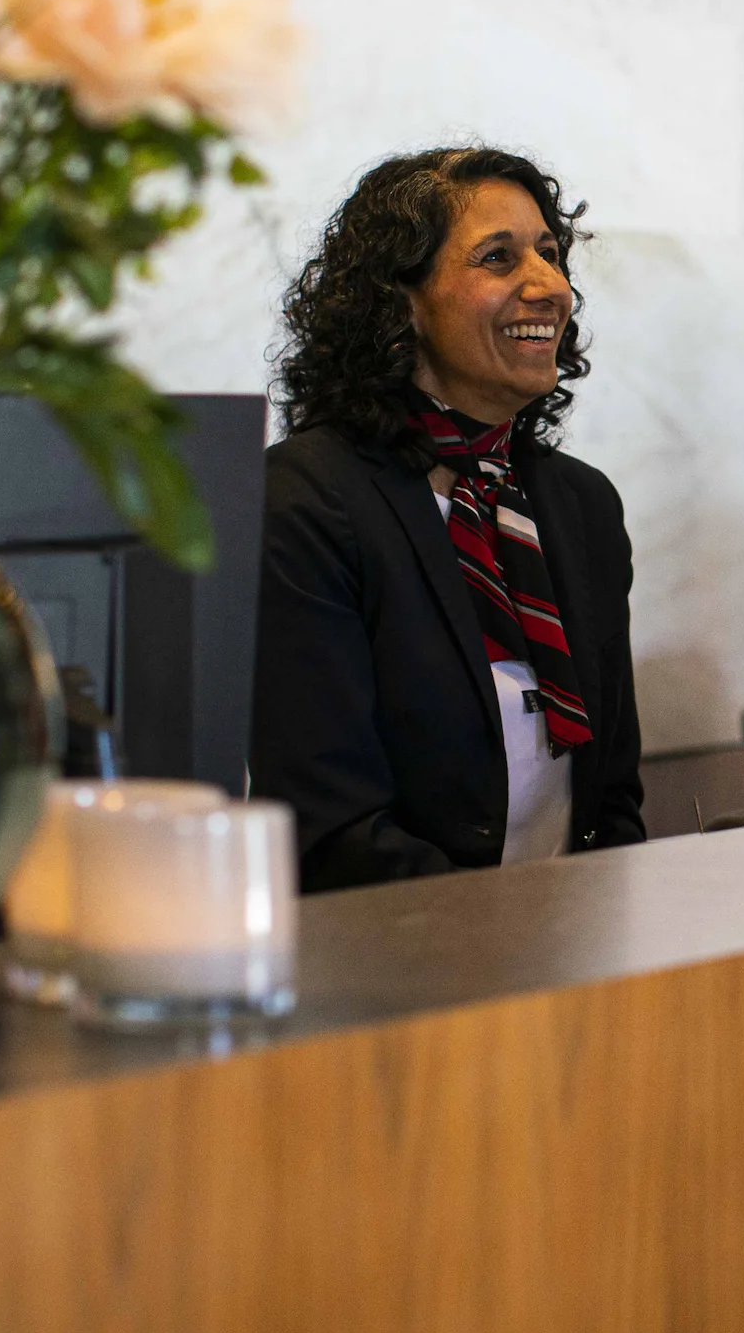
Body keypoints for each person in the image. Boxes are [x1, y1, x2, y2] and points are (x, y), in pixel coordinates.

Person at [253, 146, 644, 890]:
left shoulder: (583, 504)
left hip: (573, 940)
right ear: (401, 301)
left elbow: (614, 795)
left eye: (550, 254)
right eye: (498, 258)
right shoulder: (305, 499)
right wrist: (494, 936)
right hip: (400, 947)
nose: (549, 287)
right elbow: (330, 826)